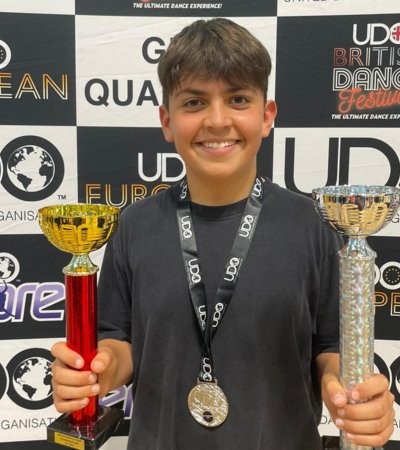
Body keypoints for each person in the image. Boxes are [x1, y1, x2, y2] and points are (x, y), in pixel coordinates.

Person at [51, 18, 394, 449]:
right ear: (167, 121)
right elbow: (118, 343)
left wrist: (350, 394)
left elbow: (329, 346)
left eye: (237, 99)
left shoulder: (313, 225)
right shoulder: (133, 225)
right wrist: (95, 373)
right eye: (194, 102)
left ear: (266, 116)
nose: (217, 120)